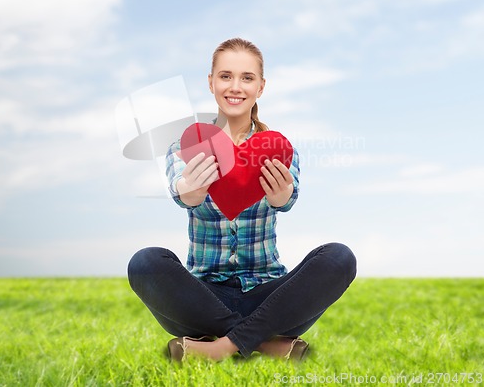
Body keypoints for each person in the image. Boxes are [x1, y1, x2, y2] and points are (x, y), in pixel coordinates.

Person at [128, 38, 357, 361]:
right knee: (144, 263)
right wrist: (189, 190)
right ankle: (263, 342)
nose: (235, 87)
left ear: (261, 87)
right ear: (210, 82)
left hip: (271, 296)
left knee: (339, 257)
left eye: (247, 78)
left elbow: (289, 199)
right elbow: (182, 191)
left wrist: (282, 196)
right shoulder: (189, 145)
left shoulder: (278, 149)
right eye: (225, 76)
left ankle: (218, 347)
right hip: (203, 297)